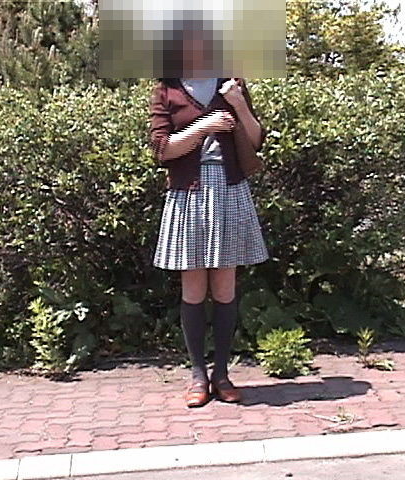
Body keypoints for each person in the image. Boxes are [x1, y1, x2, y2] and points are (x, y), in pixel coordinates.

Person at [148, 24, 269, 408]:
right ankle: (198, 376)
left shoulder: (230, 83)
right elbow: (162, 150)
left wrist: (238, 104)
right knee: (194, 288)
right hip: (189, 192)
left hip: (229, 188)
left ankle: (222, 374)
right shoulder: (167, 90)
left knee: (225, 287)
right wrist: (204, 127)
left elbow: (255, 139)